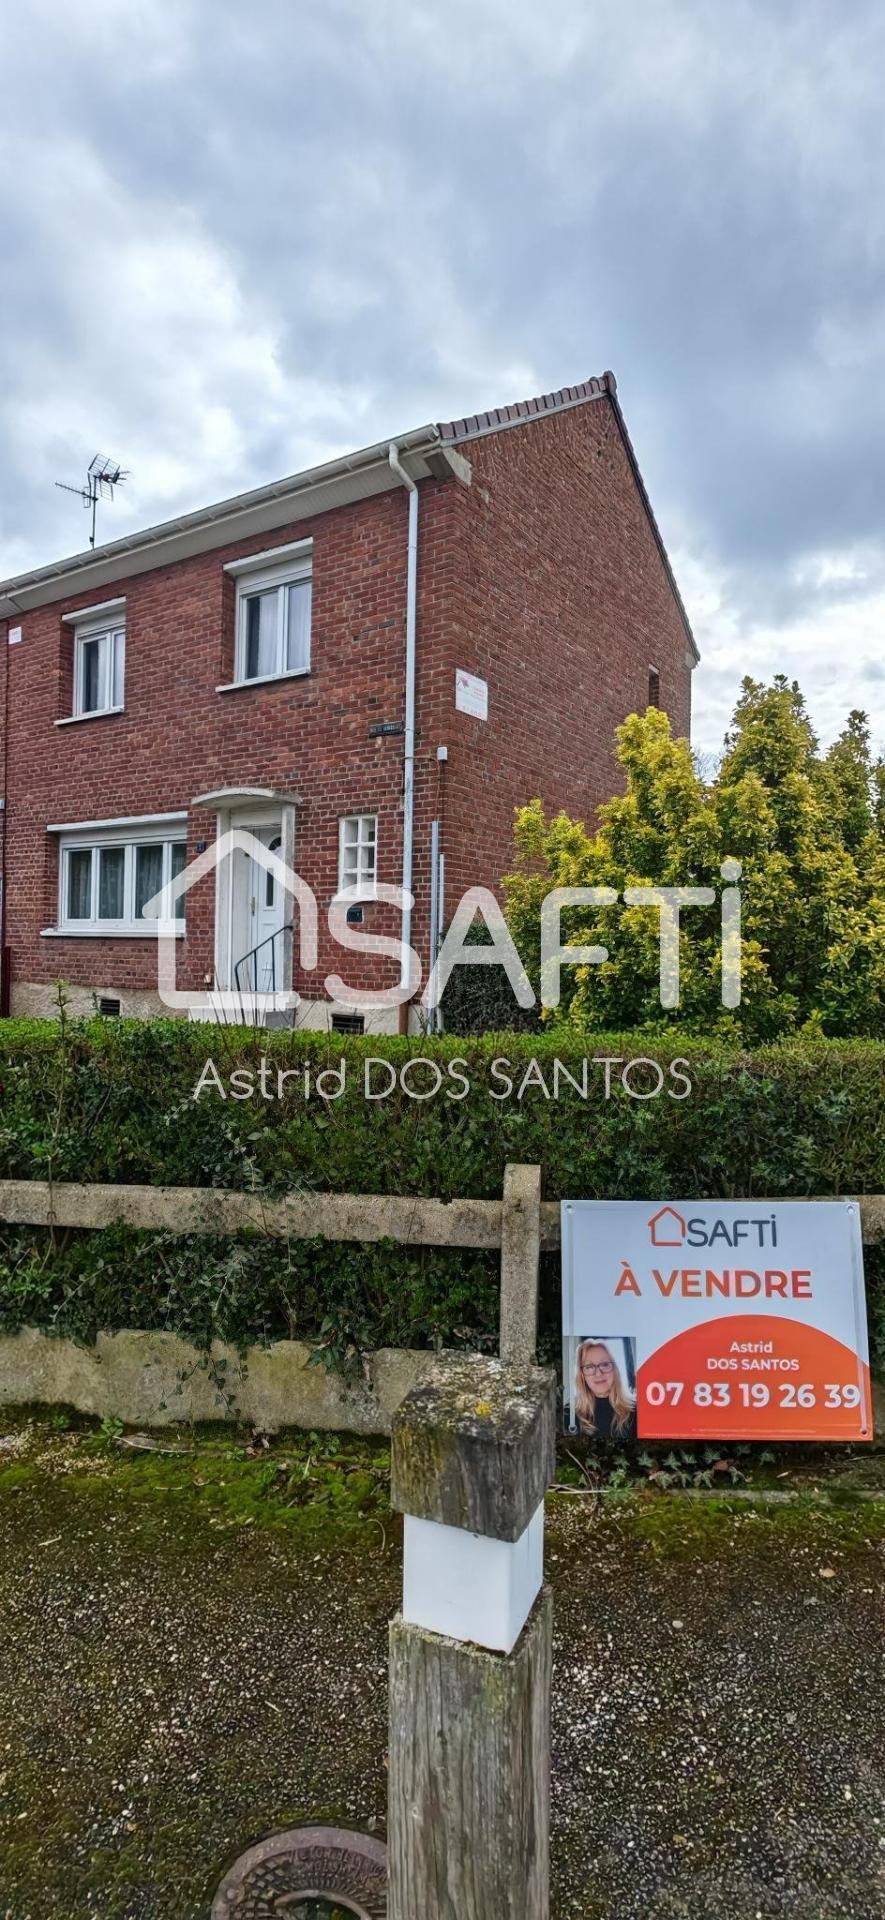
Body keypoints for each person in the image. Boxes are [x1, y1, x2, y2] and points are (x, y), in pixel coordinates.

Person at [574, 1338, 636, 1442]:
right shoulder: (570, 1413)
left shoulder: (635, 1410)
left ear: (615, 1369)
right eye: (589, 1367)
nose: (598, 1373)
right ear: (582, 1375)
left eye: (605, 1364)